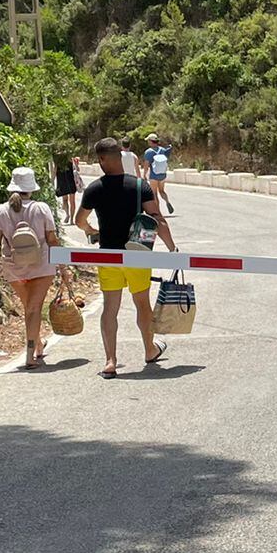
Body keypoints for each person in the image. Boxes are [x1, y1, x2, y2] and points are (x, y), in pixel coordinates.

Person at [74, 137, 178, 377]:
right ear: (120, 157)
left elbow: (80, 220)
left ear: (101, 160)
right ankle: (149, 350)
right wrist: (172, 249)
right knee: (142, 303)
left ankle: (110, 361)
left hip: (109, 256)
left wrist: (91, 232)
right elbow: (157, 219)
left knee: (110, 308)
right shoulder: (139, 186)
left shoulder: (95, 189)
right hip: (137, 254)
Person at [0, 167, 62, 369]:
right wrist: (64, 267)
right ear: (31, 188)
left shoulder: (0, 210)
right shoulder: (41, 208)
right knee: (33, 309)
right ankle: (29, 355)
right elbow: (52, 239)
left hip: (13, 267)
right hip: (41, 265)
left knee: (29, 309)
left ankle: (38, 344)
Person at [142, 131, 175, 215]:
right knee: (162, 191)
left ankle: (158, 211)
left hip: (154, 175)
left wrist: (144, 174)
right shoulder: (163, 150)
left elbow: (146, 165)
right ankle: (167, 201)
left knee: (154, 193)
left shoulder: (149, 152)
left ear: (150, 141)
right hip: (162, 174)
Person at [54, 150, 79, 224]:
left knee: (65, 200)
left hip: (62, 182)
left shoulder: (58, 162)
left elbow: (54, 172)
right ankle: (71, 219)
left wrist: (52, 181)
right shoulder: (71, 160)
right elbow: (77, 169)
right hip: (70, 182)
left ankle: (68, 215)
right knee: (72, 201)